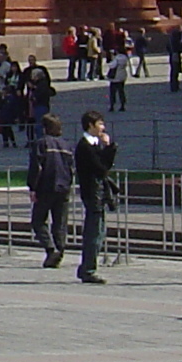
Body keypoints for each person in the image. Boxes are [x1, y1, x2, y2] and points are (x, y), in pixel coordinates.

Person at [72, 110, 116, 286]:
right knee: (94, 232)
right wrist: (109, 148)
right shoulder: (85, 146)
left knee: (100, 231)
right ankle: (88, 269)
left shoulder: (94, 144)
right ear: (90, 125)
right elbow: (101, 168)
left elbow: (105, 167)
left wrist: (108, 148)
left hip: (99, 192)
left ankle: (88, 267)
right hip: (92, 193)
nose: (103, 128)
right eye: (100, 124)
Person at [27, 114, 74, 270]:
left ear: (44, 128)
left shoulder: (41, 144)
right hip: (64, 188)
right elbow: (71, 169)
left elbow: (36, 167)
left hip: (46, 187)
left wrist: (33, 187)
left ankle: (50, 248)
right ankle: (59, 252)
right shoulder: (67, 145)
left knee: (38, 221)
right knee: (60, 223)